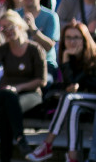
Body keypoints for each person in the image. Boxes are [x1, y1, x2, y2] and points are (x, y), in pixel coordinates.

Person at [27, 22, 96, 162]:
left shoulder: (93, 57)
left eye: (76, 38)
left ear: (84, 39)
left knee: (69, 99)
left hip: (93, 98)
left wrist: (74, 83)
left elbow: (81, 84)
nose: (72, 41)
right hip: (80, 100)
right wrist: (65, 59)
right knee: (74, 108)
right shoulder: (68, 56)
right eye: (68, 37)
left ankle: (47, 143)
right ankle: (72, 157)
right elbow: (69, 84)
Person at [0, 10, 46, 162]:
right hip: (6, 94)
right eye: (4, 28)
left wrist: (17, 88)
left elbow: (42, 80)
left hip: (30, 93)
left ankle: (6, 156)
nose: (8, 31)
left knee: (6, 105)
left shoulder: (34, 49)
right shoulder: (4, 48)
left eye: (11, 26)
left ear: (19, 26)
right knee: (3, 96)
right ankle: (20, 140)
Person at [17, 0, 60, 82]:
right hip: (20, 61)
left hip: (45, 62)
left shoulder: (51, 16)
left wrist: (33, 29)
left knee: (46, 82)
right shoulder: (15, 15)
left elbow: (49, 46)